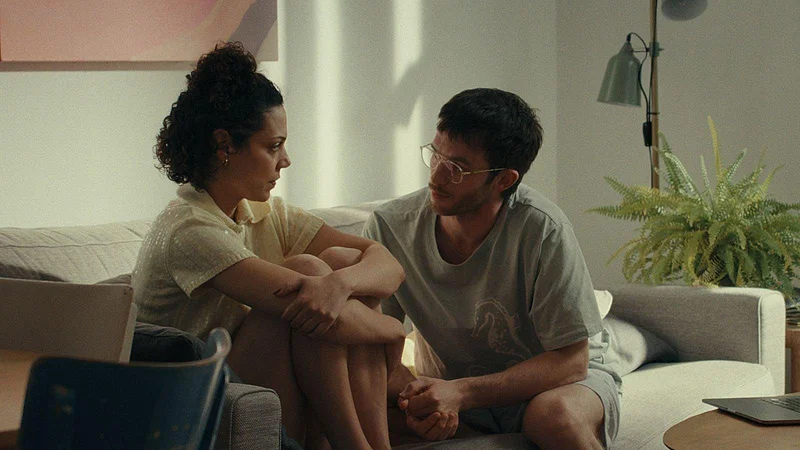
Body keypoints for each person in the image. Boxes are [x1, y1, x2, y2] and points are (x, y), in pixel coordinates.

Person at [132, 42, 406, 450]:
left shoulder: (265, 212)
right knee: (307, 279)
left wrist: (342, 284)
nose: (286, 160)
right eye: (273, 146)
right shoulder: (189, 229)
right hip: (189, 406)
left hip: (257, 384)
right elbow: (317, 306)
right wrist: (395, 332)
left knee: (342, 261)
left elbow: (386, 264)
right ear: (225, 145)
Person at [363, 88, 621, 449]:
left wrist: (462, 393)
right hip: (449, 391)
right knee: (352, 417)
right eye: (435, 154)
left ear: (503, 180)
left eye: (457, 168)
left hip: (557, 385)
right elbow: (373, 346)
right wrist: (417, 396)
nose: (437, 176)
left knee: (554, 418)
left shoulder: (542, 228)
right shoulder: (390, 228)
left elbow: (572, 362)